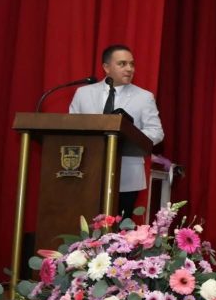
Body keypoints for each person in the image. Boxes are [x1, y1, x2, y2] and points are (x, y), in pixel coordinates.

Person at [69, 44, 164, 218]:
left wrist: (129, 137)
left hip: (127, 175)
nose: (129, 69)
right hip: (86, 172)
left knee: (120, 229)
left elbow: (156, 132)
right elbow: (71, 128)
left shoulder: (144, 97)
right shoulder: (83, 93)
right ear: (106, 67)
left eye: (132, 64)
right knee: (85, 225)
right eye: (122, 64)